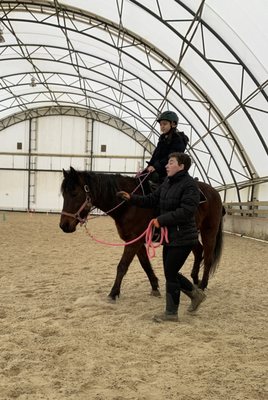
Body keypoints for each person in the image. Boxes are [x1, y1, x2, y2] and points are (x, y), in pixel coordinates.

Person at [117, 152, 206, 323]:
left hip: (184, 236)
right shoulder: (167, 182)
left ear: (181, 166)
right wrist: (131, 198)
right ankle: (195, 295)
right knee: (169, 272)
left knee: (171, 273)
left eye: (171, 162)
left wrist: (161, 220)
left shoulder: (190, 186)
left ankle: (171, 313)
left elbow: (187, 211)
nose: (166, 165)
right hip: (171, 235)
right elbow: (151, 200)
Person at [146, 111, 189, 184]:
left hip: (170, 170)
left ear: (173, 124)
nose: (162, 126)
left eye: (165, 124)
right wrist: (150, 165)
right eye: (161, 124)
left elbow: (171, 157)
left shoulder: (178, 140)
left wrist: (156, 167)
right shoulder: (162, 139)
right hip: (160, 169)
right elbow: (156, 155)